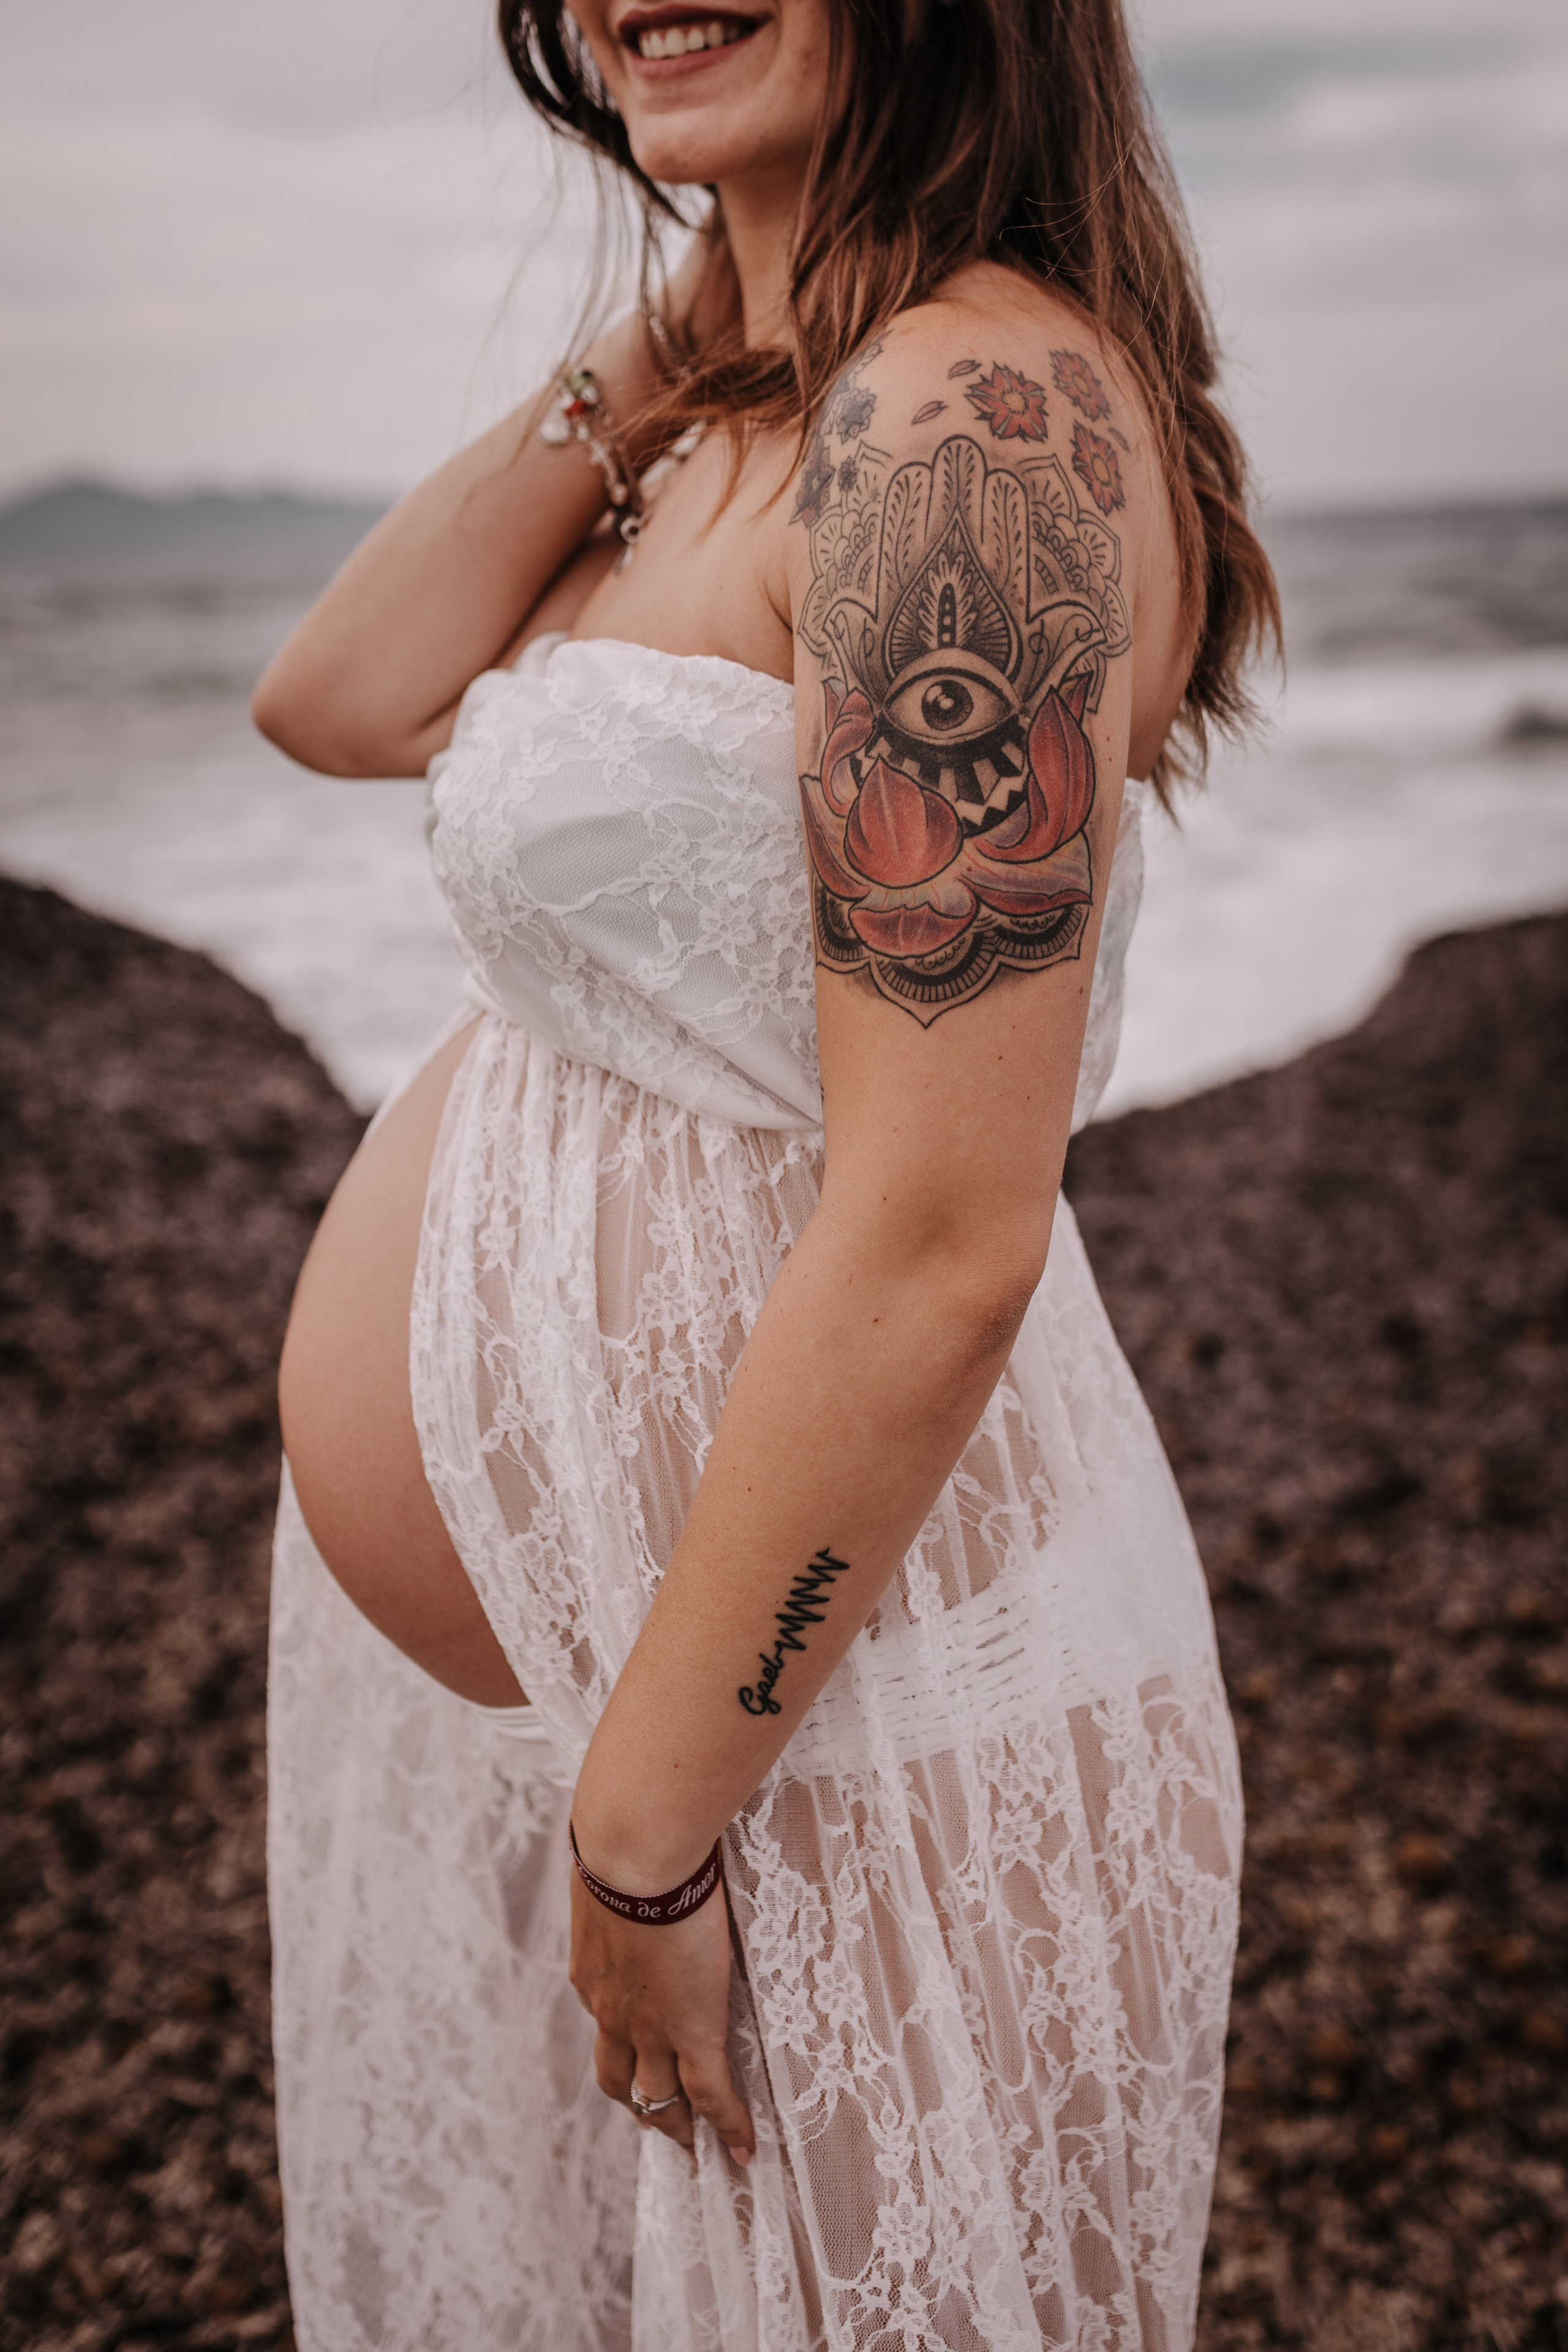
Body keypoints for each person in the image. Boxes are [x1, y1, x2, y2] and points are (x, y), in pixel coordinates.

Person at [252, 0, 1278, 2343]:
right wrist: (675, 333)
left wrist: (649, 1832)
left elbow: (942, 1246)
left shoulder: (965, 431)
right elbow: (340, 696)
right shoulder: (747, 417)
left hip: (823, 1730)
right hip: (649, 1721)